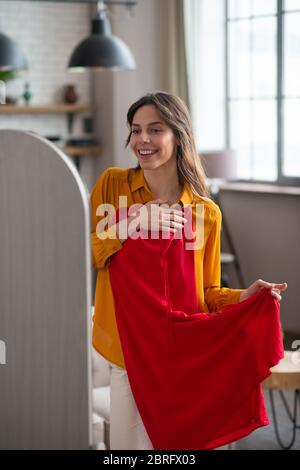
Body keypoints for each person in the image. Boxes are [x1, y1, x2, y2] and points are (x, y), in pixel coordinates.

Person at [90, 91, 288, 450]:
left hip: (179, 355)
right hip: (126, 352)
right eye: (136, 130)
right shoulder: (113, 185)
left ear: (178, 135)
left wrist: (242, 297)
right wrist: (132, 222)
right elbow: (90, 253)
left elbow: (207, 291)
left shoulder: (205, 213)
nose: (142, 140)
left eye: (155, 129)